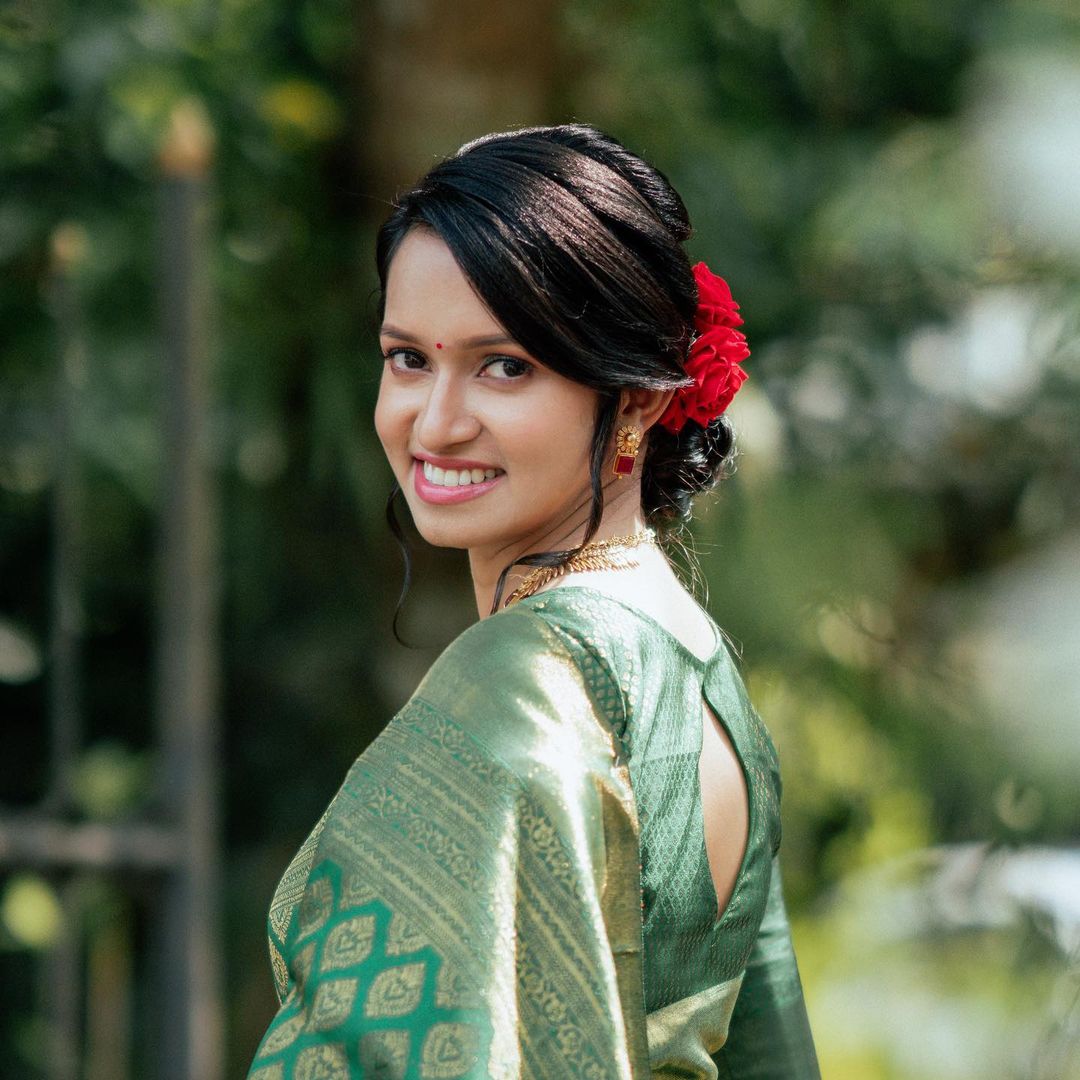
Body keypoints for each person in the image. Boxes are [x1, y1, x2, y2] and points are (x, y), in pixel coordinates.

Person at [246, 124, 820, 1079]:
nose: (434, 422)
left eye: (504, 365)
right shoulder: (697, 665)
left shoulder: (527, 679)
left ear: (636, 400)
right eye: (407, 359)